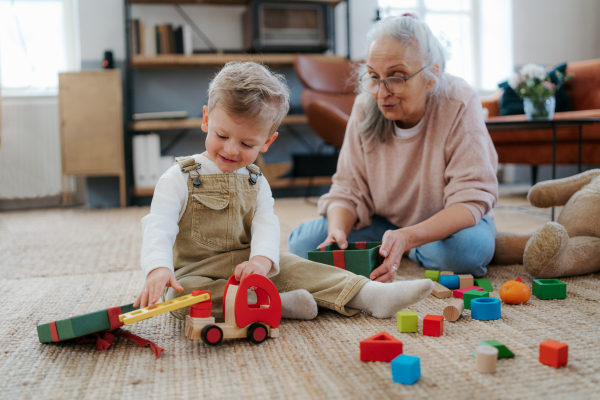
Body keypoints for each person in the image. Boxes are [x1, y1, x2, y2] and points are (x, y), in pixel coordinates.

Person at [134, 61, 434, 320]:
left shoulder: (256, 181)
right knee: (180, 300)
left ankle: (370, 295)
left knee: (294, 264)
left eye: (247, 144)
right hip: (195, 272)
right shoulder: (178, 178)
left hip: (247, 264)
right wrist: (158, 269)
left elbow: (265, 225)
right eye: (222, 135)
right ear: (206, 119)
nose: (230, 149)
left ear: (267, 141)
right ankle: (276, 304)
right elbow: (159, 227)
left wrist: (261, 262)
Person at [289, 15, 498, 281]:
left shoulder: (458, 100)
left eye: (396, 78)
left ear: (431, 76)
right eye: (374, 77)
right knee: (301, 245)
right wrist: (337, 231)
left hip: (447, 228)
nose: (382, 92)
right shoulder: (366, 106)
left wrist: (408, 237)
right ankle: (403, 248)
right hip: (384, 224)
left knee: (466, 252)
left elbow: (471, 199)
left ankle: (406, 247)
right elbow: (348, 188)